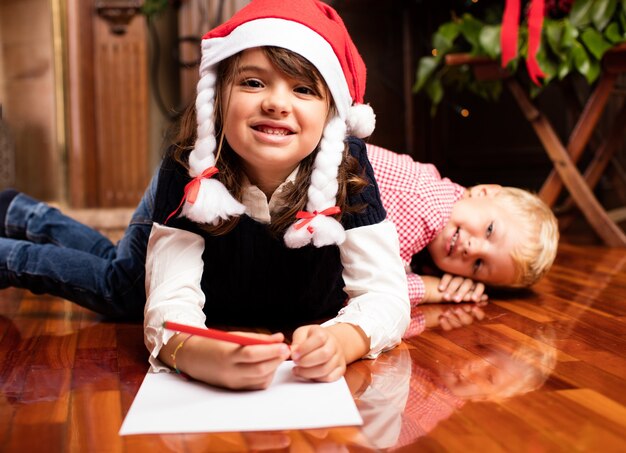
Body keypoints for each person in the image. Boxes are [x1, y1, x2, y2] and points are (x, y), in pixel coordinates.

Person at [141, 0, 413, 390]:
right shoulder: (187, 167)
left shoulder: (349, 169)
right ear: (217, 97)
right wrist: (200, 352)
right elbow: (168, 301)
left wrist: (342, 339)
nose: (276, 103)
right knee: (115, 286)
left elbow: (385, 293)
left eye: (303, 89)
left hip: (307, 311)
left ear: (331, 115)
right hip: (216, 302)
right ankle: (27, 220)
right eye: (253, 82)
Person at [364, 144, 560, 337]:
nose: (472, 249)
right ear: (483, 192)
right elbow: (366, 296)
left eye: (478, 264)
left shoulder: (438, 198)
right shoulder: (426, 208)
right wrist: (429, 288)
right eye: (490, 230)